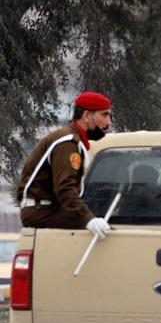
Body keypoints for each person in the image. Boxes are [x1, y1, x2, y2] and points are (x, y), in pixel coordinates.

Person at [17, 91, 113, 239]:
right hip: (42, 211)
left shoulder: (71, 139)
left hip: (45, 209)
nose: (108, 122)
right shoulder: (67, 142)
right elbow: (65, 188)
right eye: (104, 115)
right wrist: (89, 219)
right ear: (87, 116)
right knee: (105, 225)